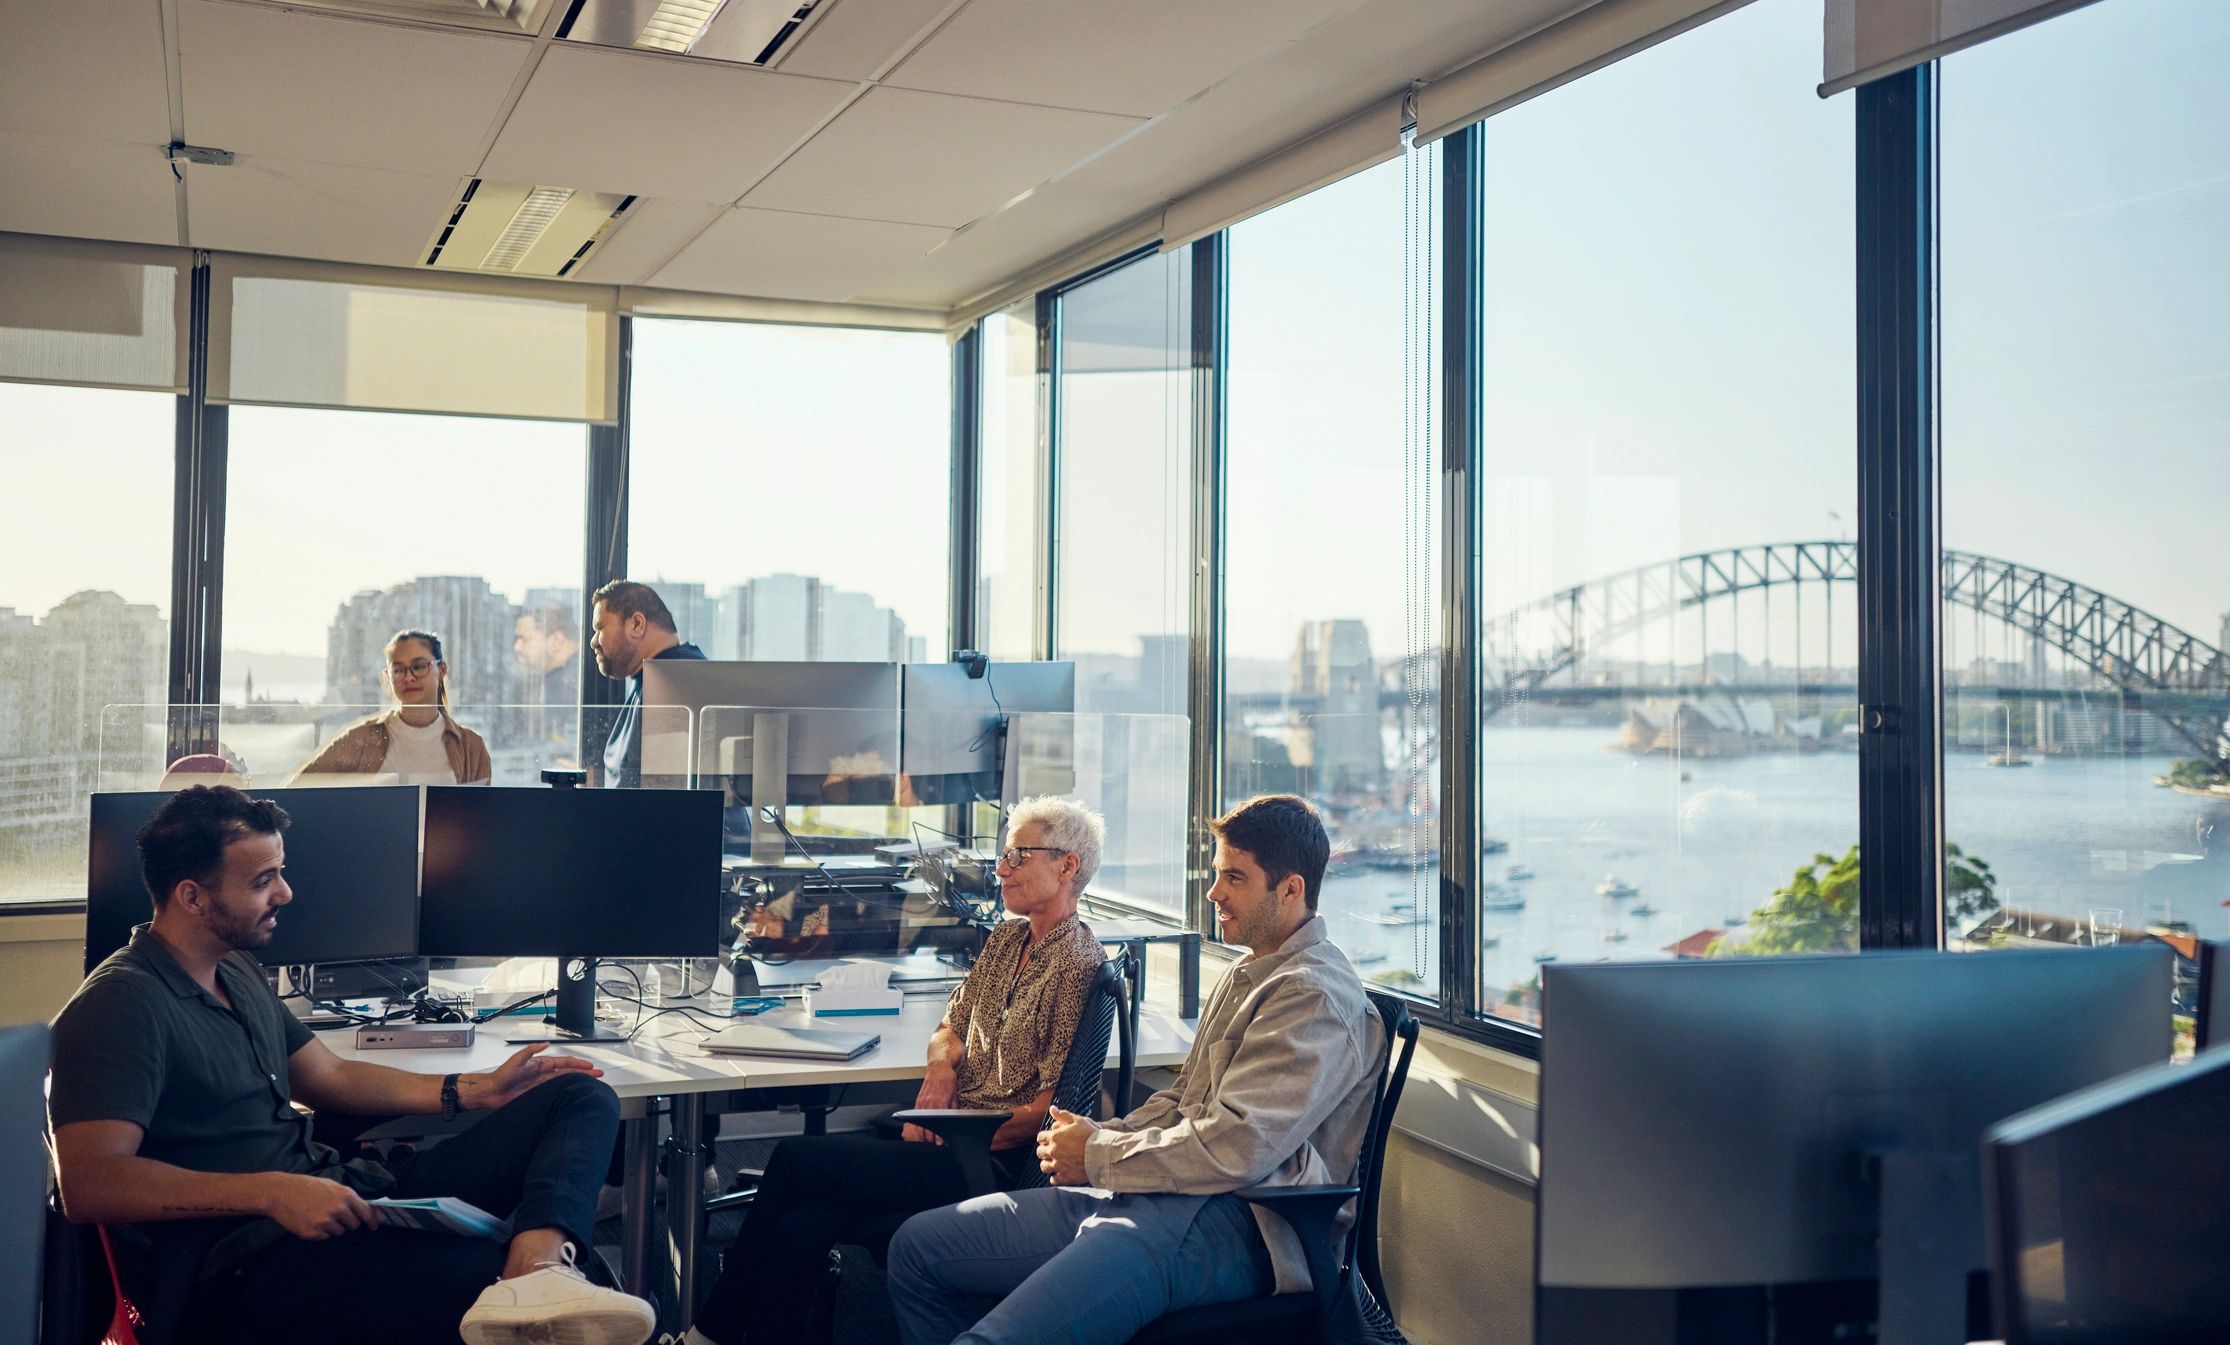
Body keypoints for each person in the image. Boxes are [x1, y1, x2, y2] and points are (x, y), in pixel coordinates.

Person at [47, 785, 656, 1345]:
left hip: (337, 1194)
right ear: (191, 897)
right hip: (243, 1258)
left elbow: (327, 1076)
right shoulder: (120, 1004)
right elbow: (92, 1183)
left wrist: (473, 1090)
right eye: (263, 880)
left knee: (577, 1097)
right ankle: (526, 1282)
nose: (285, 893)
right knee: (480, 1275)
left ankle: (538, 1269)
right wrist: (271, 1192)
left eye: (280, 873)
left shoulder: (232, 967)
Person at [885, 794, 1384, 1345]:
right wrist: (1103, 1136)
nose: (1214, 893)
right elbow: (1183, 1103)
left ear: (1290, 889)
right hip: (1163, 1189)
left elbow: (1238, 1149)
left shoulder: (1312, 996)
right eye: (1217, 874)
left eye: (1234, 878)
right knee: (917, 1248)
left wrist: (1098, 1155)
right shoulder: (1253, 971)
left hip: (1239, 1224)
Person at [673, 797, 1111, 1345]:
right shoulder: (1008, 939)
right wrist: (940, 1073)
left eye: (1018, 856)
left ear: (1068, 866)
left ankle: (701, 1337)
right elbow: (949, 1024)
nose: (1000, 868)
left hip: (986, 1161)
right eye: (1002, 855)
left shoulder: (1076, 965)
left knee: (792, 1160)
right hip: (953, 1132)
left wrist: (950, 1128)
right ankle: (718, 1337)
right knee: (802, 1222)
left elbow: (1049, 1113)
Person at [292, 629, 492, 785]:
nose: (409, 677)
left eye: (419, 666)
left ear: (442, 670)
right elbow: (297, 792)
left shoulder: (471, 747)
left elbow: (480, 819)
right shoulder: (361, 738)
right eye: (398, 670)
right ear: (388, 677)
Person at [586, 580, 704, 789]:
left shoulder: (676, 686)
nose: (593, 642)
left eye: (600, 628)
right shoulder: (651, 681)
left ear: (637, 624)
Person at [514, 602, 582, 712]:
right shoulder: (571, 678)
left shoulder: (569, 686)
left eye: (524, 639)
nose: (517, 647)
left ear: (556, 641)